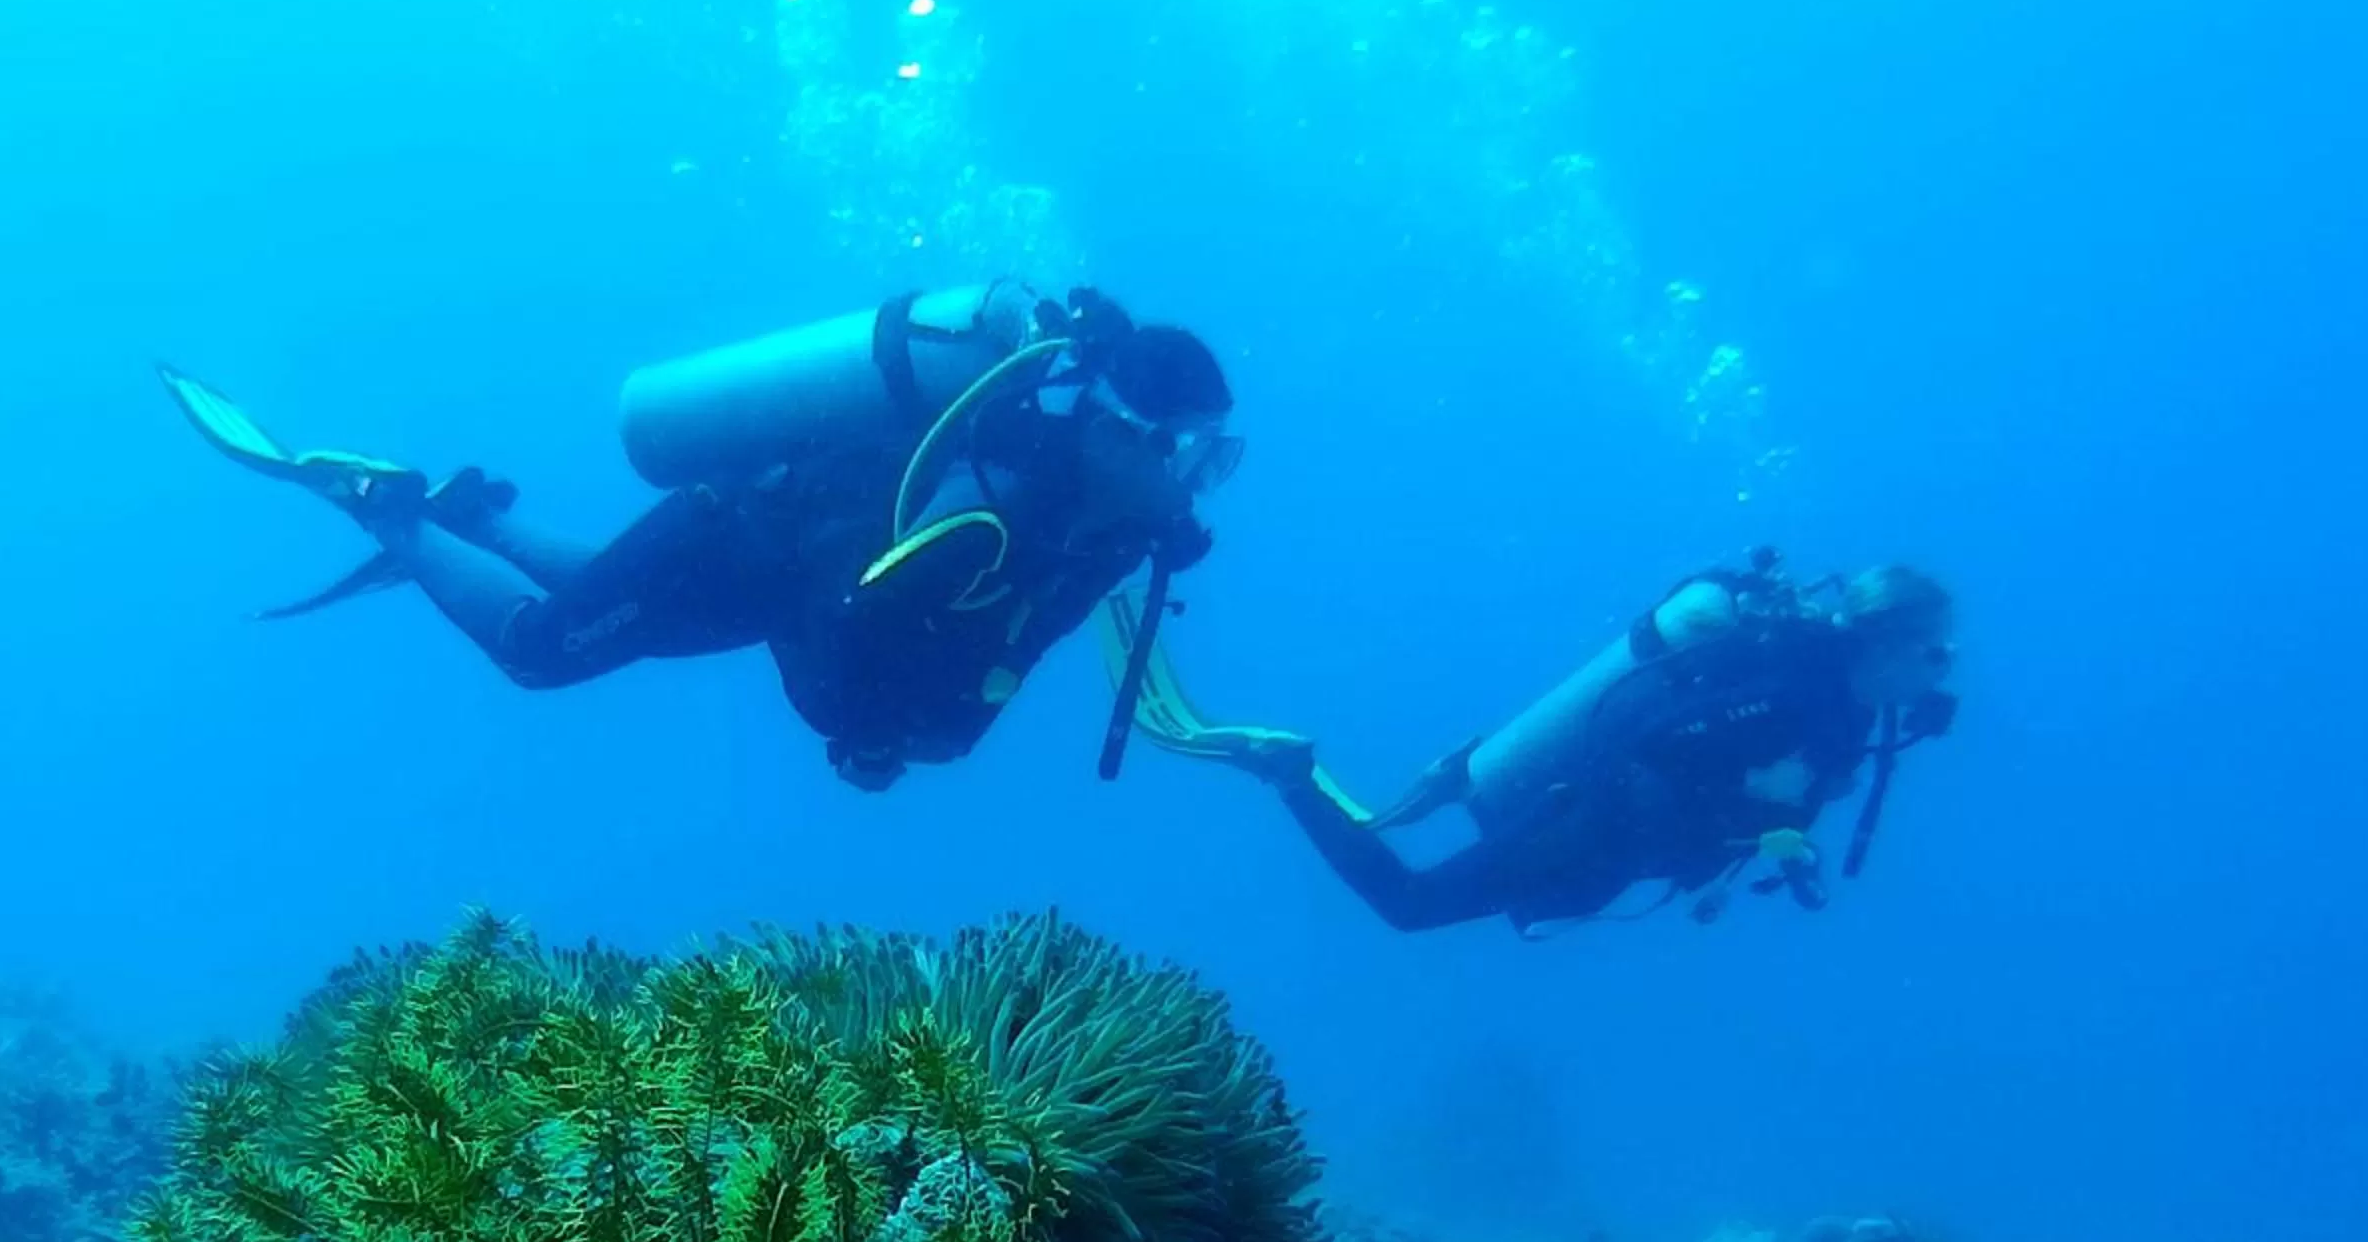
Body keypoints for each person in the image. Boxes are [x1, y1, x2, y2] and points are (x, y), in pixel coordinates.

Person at [158, 281, 1242, 791]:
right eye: (1193, 453)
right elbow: (863, 616)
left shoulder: (1094, 521)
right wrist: (870, 736)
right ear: (1131, 431)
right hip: (752, 537)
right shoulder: (996, 499)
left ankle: (474, 513)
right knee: (546, 649)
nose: (1198, 483)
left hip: (769, 576)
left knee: (614, 606)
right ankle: (385, 506)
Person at [1102, 548, 1960, 936]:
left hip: (1621, 847)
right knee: (1410, 907)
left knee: (1415, 902)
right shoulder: (1795, 692)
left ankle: (1308, 781)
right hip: (1592, 820)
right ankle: (1288, 772)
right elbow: (1657, 736)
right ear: (1884, 639)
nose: (1944, 669)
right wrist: (1742, 812)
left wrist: (1772, 833)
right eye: (1934, 649)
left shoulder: (1846, 715)